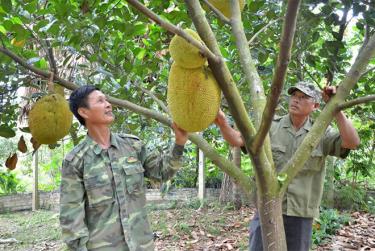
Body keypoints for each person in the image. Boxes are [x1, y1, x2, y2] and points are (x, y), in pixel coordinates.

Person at [214, 82, 360, 251]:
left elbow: (352, 142)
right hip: (268, 209)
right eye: (294, 96)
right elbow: (239, 140)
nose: (296, 100)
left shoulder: (321, 133)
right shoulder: (271, 127)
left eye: (303, 97)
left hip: (300, 213)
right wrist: (223, 124)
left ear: (315, 105)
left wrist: (336, 109)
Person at [59, 85, 188, 251]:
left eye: (106, 99)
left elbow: (162, 172)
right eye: (100, 101)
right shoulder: (76, 161)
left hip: (141, 245)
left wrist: (179, 143)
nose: (108, 104)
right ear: (84, 112)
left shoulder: (132, 145)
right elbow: (71, 218)